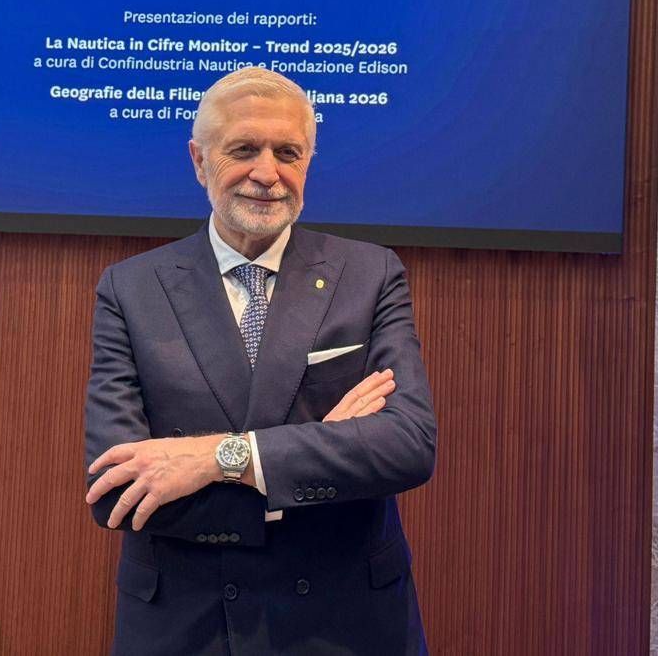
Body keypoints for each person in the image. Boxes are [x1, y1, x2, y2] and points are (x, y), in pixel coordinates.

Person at [84, 67, 436, 655]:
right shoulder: (131, 289)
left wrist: (214, 459)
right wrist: (320, 455)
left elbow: (407, 446)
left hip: (344, 623)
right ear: (199, 161)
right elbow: (116, 489)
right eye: (244, 149)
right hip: (188, 627)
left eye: (288, 153)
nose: (267, 174)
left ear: (308, 163)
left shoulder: (370, 275)